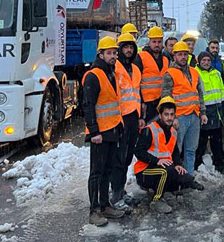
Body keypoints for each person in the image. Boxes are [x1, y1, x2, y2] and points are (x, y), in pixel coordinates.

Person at [83, 36, 126, 226]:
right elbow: (88, 105)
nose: (113, 56)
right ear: (100, 54)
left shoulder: (111, 73)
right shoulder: (94, 75)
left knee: (107, 170)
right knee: (97, 172)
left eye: (115, 53)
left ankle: (105, 205)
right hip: (100, 132)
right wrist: (94, 132)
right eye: (109, 53)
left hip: (112, 129)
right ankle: (94, 210)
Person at [134, 96, 195, 214]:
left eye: (172, 114)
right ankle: (156, 200)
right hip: (144, 171)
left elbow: (175, 152)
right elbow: (138, 152)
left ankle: (163, 188)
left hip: (164, 168)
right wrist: (156, 161)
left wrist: (177, 164)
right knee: (165, 172)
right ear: (160, 114)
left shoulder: (173, 131)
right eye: (166, 114)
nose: (169, 118)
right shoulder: (150, 129)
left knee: (185, 178)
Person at [161, 40, 207, 188]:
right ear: (174, 56)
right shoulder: (170, 73)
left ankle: (188, 179)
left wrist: (203, 112)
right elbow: (166, 97)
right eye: (179, 54)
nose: (183, 57)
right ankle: (175, 182)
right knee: (176, 151)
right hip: (179, 118)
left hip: (194, 115)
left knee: (190, 150)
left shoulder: (194, 71)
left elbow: (199, 93)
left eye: (185, 54)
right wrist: (172, 118)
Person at [110, 33, 143, 211]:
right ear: (120, 48)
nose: (129, 50)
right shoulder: (114, 67)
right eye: (125, 47)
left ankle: (121, 190)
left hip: (133, 117)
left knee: (128, 156)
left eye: (131, 47)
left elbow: (136, 94)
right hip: (120, 118)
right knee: (118, 158)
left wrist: (140, 117)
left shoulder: (136, 69)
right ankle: (115, 193)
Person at [195, 51, 224, 174]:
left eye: (208, 60)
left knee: (217, 139)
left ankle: (219, 163)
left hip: (217, 110)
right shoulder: (195, 73)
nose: (206, 62)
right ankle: (197, 163)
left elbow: (222, 90)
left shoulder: (217, 73)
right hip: (204, 110)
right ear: (199, 61)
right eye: (203, 60)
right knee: (202, 140)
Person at [135, 26, 169, 124]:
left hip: (161, 102)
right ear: (149, 42)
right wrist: (141, 102)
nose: (157, 44)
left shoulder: (165, 60)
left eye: (159, 42)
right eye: (154, 42)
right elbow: (136, 82)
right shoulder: (141, 57)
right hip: (147, 104)